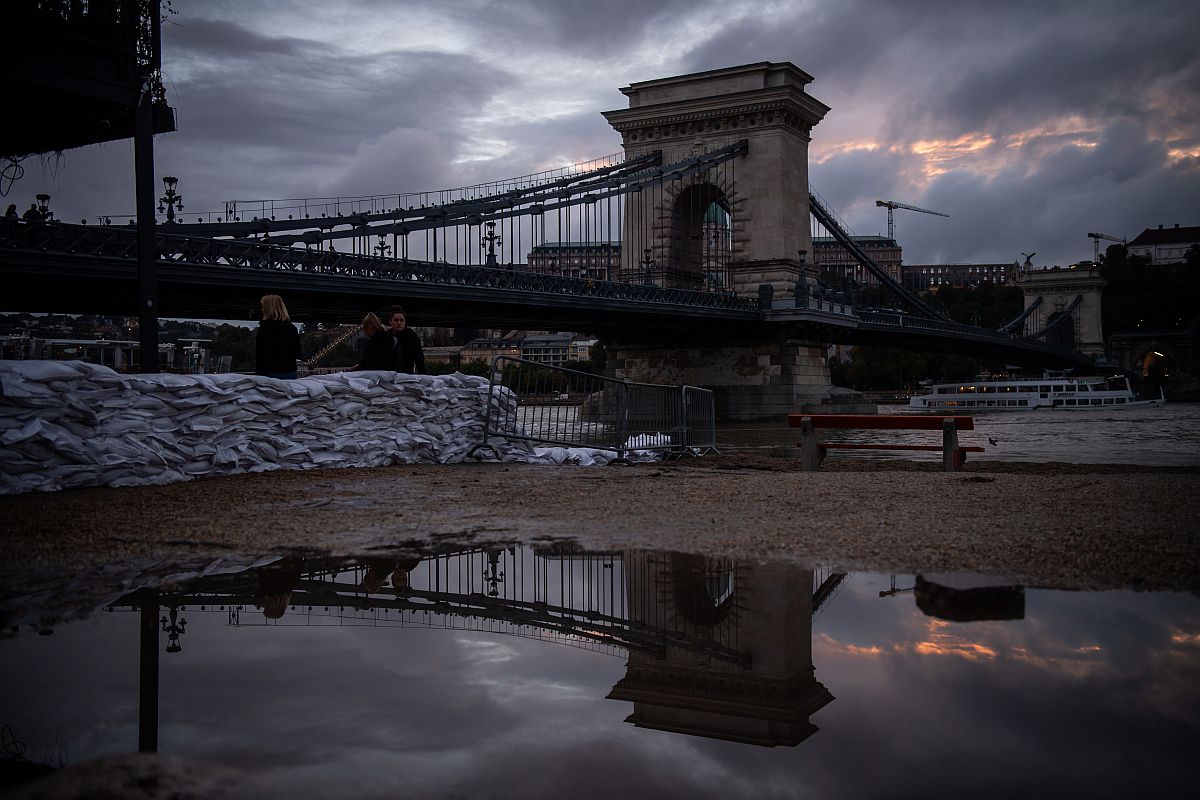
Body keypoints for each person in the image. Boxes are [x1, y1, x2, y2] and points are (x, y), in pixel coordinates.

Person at [255, 294, 304, 379]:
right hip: (289, 372)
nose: (262, 309)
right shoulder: (292, 328)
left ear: (268, 308)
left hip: (269, 373)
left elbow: (260, 354)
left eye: (263, 307)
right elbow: (298, 353)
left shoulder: (265, 328)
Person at [388, 305, 425, 374]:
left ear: (405, 322)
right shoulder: (387, 336)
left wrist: (423, 375)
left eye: (401, 320)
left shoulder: (411, 336)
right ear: (390, 322)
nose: (399, 323)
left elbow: (419, 358)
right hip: (390, 374)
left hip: (406, 374)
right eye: (396, 320)